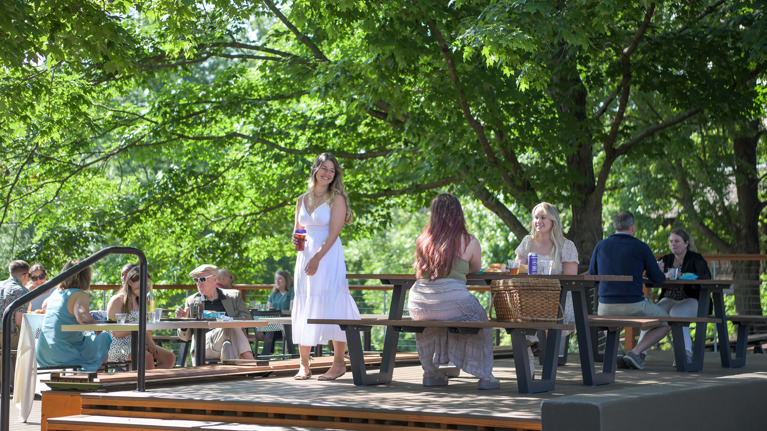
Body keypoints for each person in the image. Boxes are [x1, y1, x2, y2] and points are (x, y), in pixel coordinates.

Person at [407, 193, 500, 390]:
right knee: (480, 318)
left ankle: (431, 372)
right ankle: (484, 376)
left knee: (433, 319)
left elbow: (419, 273)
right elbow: (475, 268)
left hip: (419, 302)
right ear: (458, 214)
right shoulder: (469, 241)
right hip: (452, 299)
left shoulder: (423, 240)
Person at [291, 152, 360, 381]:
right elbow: (299, 230)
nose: (328, 174)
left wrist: (318, 257)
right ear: (316, 169)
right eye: (325, 169)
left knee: (333, 302)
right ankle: (304, 365)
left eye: (332, 170)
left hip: (327, 256)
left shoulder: (336, 198)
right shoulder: (302, 198)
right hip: (305, 256)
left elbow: (334, 233)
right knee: (305, 301)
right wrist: (296, 239)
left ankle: (339, 363)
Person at [588, 211, 669, 370]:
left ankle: (617, 352)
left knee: (604, 320)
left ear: (615, 226)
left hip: (606, 306)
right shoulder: (641, 247)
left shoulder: (601, 245)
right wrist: (658, 269)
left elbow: (592, 276)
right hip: (634, 304)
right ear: (632, 227)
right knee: (667, 322)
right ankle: (635, 353)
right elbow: (659, 279)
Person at [514, 202, 578, 373]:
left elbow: (571, 279)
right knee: (516, 310)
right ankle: (528, 350)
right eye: (536, 217)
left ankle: (530, 345)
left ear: (553, 221)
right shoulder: (527, 242)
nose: (538, 221)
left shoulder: (566, 245)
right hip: (530, 296)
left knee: (530, 314)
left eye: (543, 217)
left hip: (558, 298)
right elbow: (517, 270)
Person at [640, 228, 712, 364]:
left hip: (693, 300)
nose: (673, 244)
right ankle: (638, 354)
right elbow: (647, 278)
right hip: (669, 299)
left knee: (677, 312)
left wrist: (682, 275)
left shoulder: (696, 259)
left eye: (677, 241)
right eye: (671, 241)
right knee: (653, 314)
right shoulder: (665, 259)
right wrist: (657, 273)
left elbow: (706, 277)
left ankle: (685, 354)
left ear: (686, 243)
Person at [36, 260, 111, 371]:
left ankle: (85, 377)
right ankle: (94, 379)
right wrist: (96, 324)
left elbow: (44, 306)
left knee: (88, 339)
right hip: (63, 353)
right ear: (86, 277)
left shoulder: (56, 293)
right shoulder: (80, 294)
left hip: (43, 353)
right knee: (104, 336)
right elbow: (83, 318)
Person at [175, 264, 256, 363]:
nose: (199, 283)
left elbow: (247, 318)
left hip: (228, 343)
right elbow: (185, 337)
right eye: (196, 280)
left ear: (214, 279)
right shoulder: (192, 301)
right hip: (203, 346)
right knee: (229, 326)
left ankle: (230, 374)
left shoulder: (233, 296)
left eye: (203, 279)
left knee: (227, 345)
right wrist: (183, 322)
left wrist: (229, 321)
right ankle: (250, 359)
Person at [106, 266, 176, 369]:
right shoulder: (117, 300)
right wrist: (139, 328)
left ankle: (150, 380)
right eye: (141, 285)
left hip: (137, 343)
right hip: (117, 346)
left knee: (169, 357)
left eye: (147, 285)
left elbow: (144, 327)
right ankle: (145, 382)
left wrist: (150, 342)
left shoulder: (141, 301)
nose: (145, 288)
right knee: (146, 357)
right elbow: (116, 332)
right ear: (130, 282)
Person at [1, 260, 30, 349]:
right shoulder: (23, 291)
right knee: (30, 345)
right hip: (6, 335)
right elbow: (19, 322)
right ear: (26, 275)